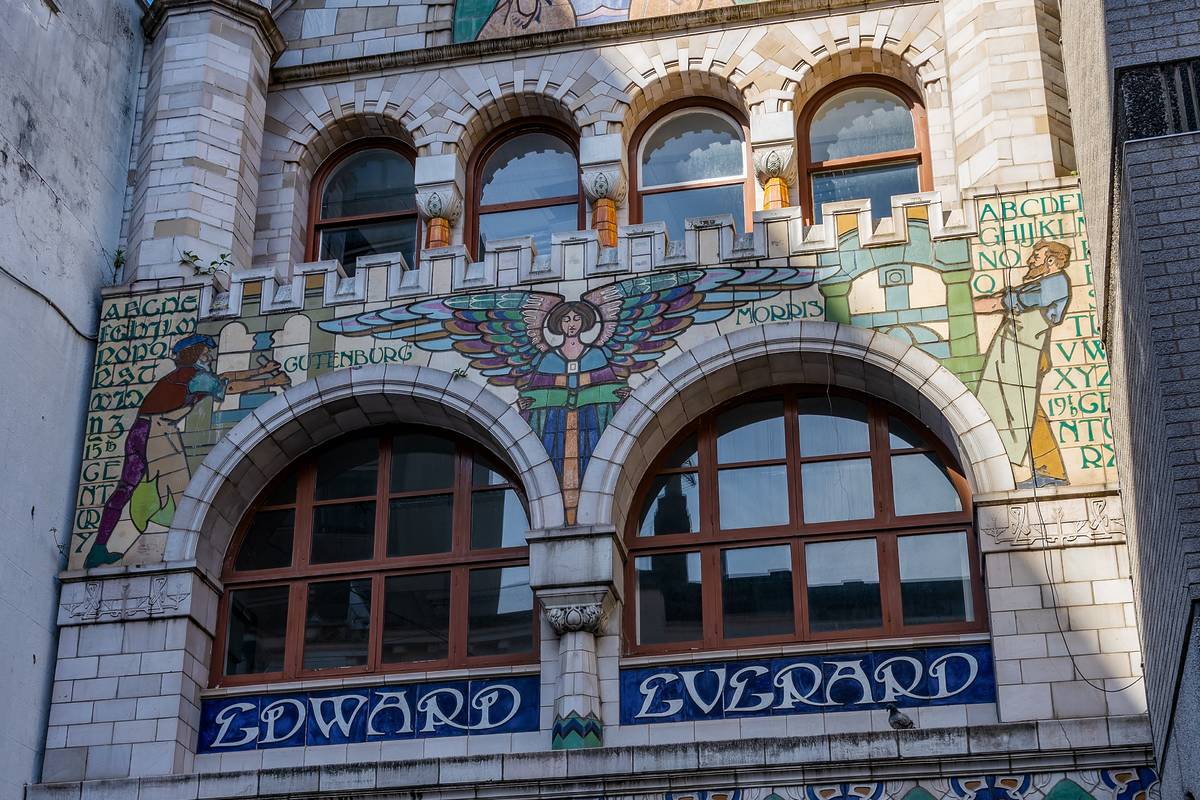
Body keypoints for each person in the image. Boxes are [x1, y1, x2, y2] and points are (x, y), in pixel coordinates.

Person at [83, 334, 288, 568]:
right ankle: (169, 552)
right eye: (205, 352)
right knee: (181, 491)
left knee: (126, 489)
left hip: (140, 431)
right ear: (193, 354)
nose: (209, 356)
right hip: (158, 434)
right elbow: (227, 386)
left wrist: (260, 371)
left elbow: (224, 377)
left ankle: (98, 549)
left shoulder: (187, 375)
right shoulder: (195, 377)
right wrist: (271, 382)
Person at [973, 240, 1072, 489]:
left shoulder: (1055, 283)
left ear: (1051, 260)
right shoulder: (1043, 283)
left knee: (1027, 410)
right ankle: (1048, 470)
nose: (1030, 260)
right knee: (1025, 408)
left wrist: (959, 307)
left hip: (1028, 352)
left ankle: (1050, 471)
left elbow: (1005, 302)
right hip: (1018, 351)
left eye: (1036, 256)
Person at [517, 301, 631, 517]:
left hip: (590, 422)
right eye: (566, 319)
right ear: (558, 324)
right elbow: (534, 394)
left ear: (585, 322)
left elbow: (611, 388)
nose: (571, 324)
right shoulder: (548, 359)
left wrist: (620, 397)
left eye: (576, 318)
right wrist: (527, 405)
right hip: (555, 424)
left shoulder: (596, 355)